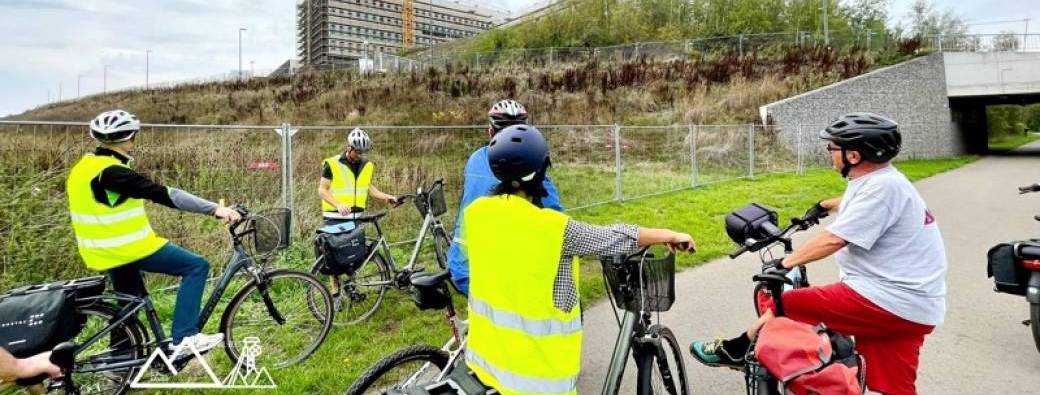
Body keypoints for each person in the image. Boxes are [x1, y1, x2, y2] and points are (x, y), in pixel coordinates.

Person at [689, 113, 947, 395]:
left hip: (886, 298)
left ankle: (736, 350)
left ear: (853, 156)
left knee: (788, 304)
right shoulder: (884, 181)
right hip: (916, 307)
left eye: (833, 148)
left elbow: (834, 239)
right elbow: (857, 202)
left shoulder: (880, 191)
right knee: (895, 387)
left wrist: (785, 263)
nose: (829, 153)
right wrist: (825, 205)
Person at [461, 125, 695, 395]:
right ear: (541, 172)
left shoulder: (477, 214)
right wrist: (670, 234)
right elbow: (612, 237)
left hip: (486, 366)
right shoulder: (554, 229)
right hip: (538, 381)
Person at [67, 110, 240, 355]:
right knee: (196, 266)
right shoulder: (113, 172)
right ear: (130, 138)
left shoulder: (84, 168)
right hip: (128, 248)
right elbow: (165, 194)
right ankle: (185, 339)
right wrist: (216, 209)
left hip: (101, 250)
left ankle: (121, 362)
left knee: (129, 302)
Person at [447, 99, 565, 295]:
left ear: (490, 133)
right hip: (501, 264)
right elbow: (556, 218)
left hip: (461, 261)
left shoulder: (475, 158)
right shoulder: (526, 167)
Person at [317, 128, 398, 305]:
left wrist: (387, 197)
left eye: (363, 152)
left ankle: (351, 288)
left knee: (351, 256)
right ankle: (335, 294)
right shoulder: (332, 164)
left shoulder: (366, 165)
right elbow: (322, 190)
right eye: (357, 151)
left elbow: (368, 187)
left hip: (355, 217)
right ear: (349, 147)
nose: (359, 155)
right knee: (334, 258)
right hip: (335, 217)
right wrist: (337, 204)